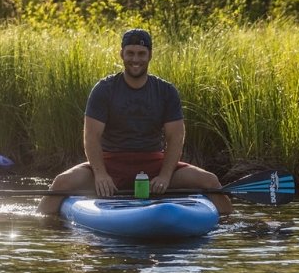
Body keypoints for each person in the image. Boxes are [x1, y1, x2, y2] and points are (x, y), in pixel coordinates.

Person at [37, 29, 233, 215]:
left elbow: (176, 137)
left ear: (150, 55)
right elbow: (91, 136)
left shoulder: (166, 91)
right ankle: (41, 230)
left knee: (211, 181)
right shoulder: (104, 89)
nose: (135, 59)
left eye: (141, 53)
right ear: (122, 54)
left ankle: (230, 226)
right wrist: (101, 174)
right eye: (130, 53)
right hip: (111, 163)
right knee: (61, 183)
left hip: (154, 165)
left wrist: (164, 176)